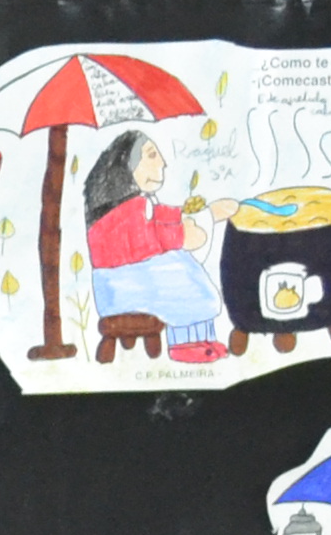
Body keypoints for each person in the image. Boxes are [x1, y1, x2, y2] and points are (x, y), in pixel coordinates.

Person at [79, 128, 231, 362]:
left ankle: (202, 338)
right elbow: (143, 241)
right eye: (151, 155)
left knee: (183, 266)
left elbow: (160, 215)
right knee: (183, 275)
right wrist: (182, 236)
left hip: (133, 280)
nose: (162, 163)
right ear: (126, 166)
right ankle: (184, 345)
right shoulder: (119, 211)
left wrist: (197, 213)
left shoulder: (138, 202)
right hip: (121, 286)